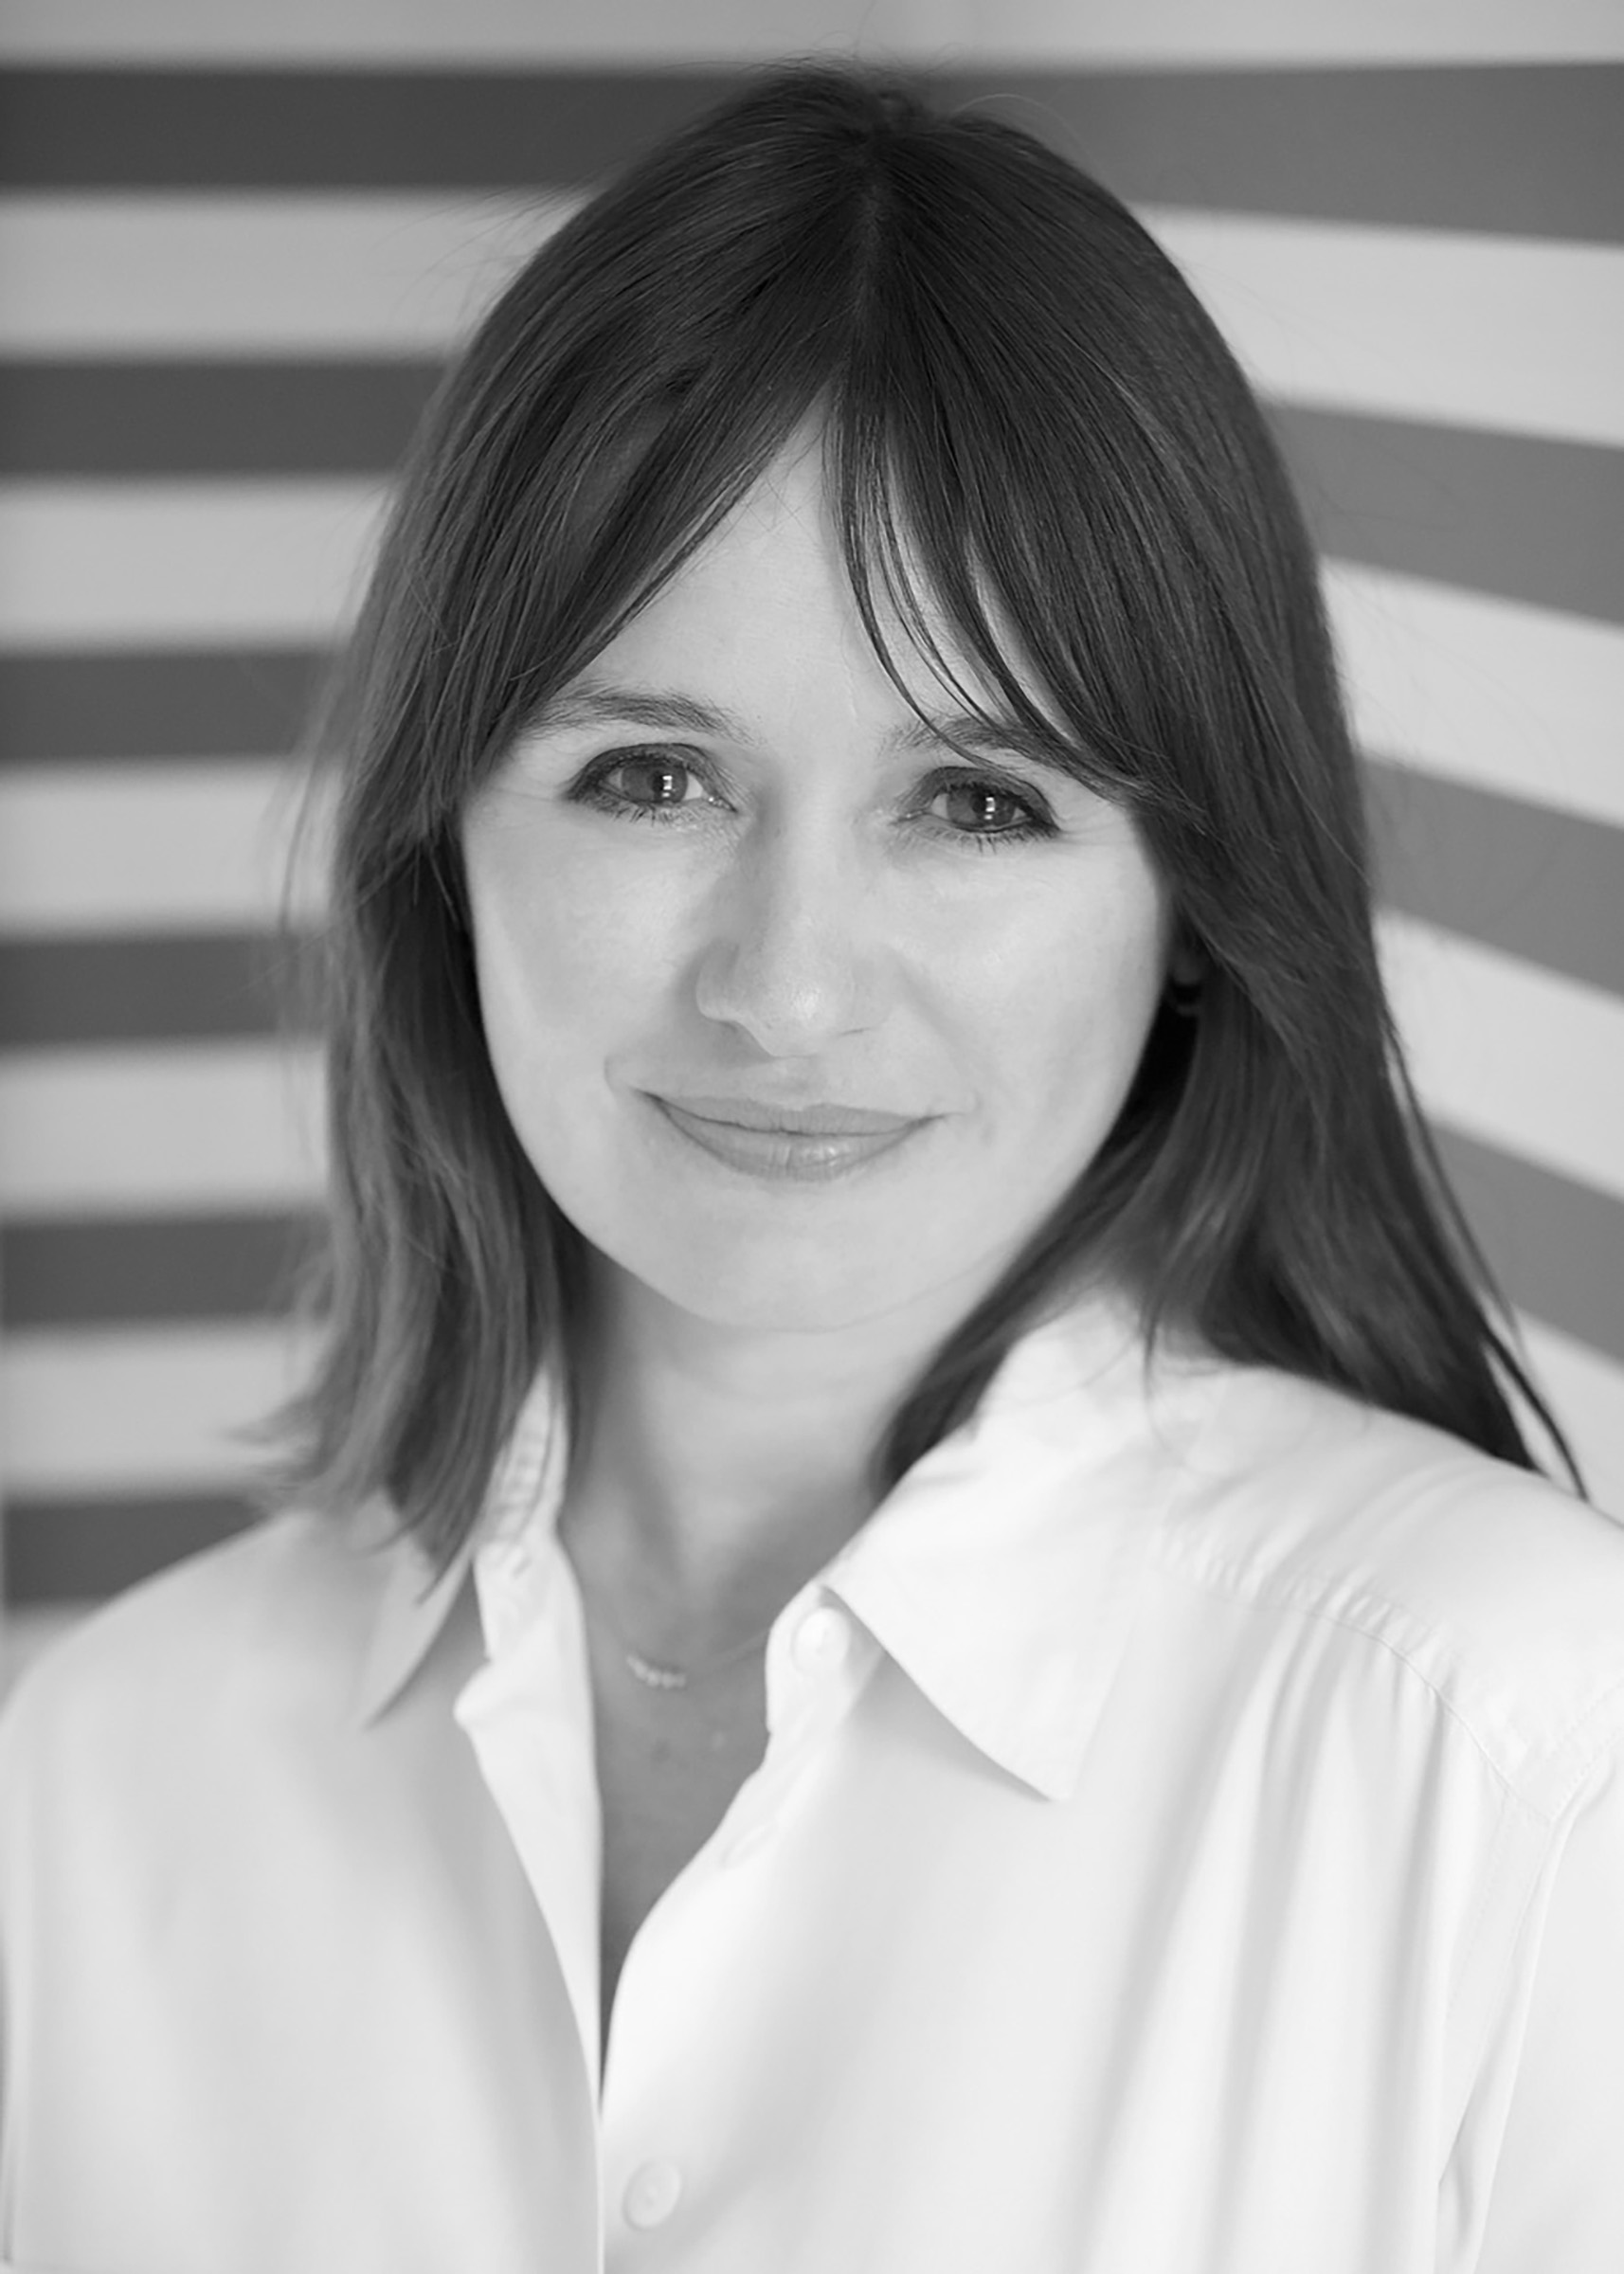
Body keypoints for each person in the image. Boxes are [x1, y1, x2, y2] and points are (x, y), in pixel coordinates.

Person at [2, 62, 1621, 2273]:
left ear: (1190, 910)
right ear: (444, 851)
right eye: (650, 774)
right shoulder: (101, 1777)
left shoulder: (1524, 1755)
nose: (783, 987)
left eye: (975, 804)